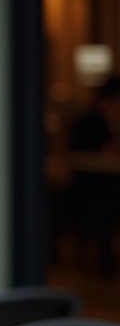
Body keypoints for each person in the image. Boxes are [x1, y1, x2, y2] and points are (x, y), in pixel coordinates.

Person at [70, 75, 120, 273]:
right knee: (106, 203)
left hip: (110, 183)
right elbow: (82, 155)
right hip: (91, 188)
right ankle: (106, 260)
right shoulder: (87, 122)